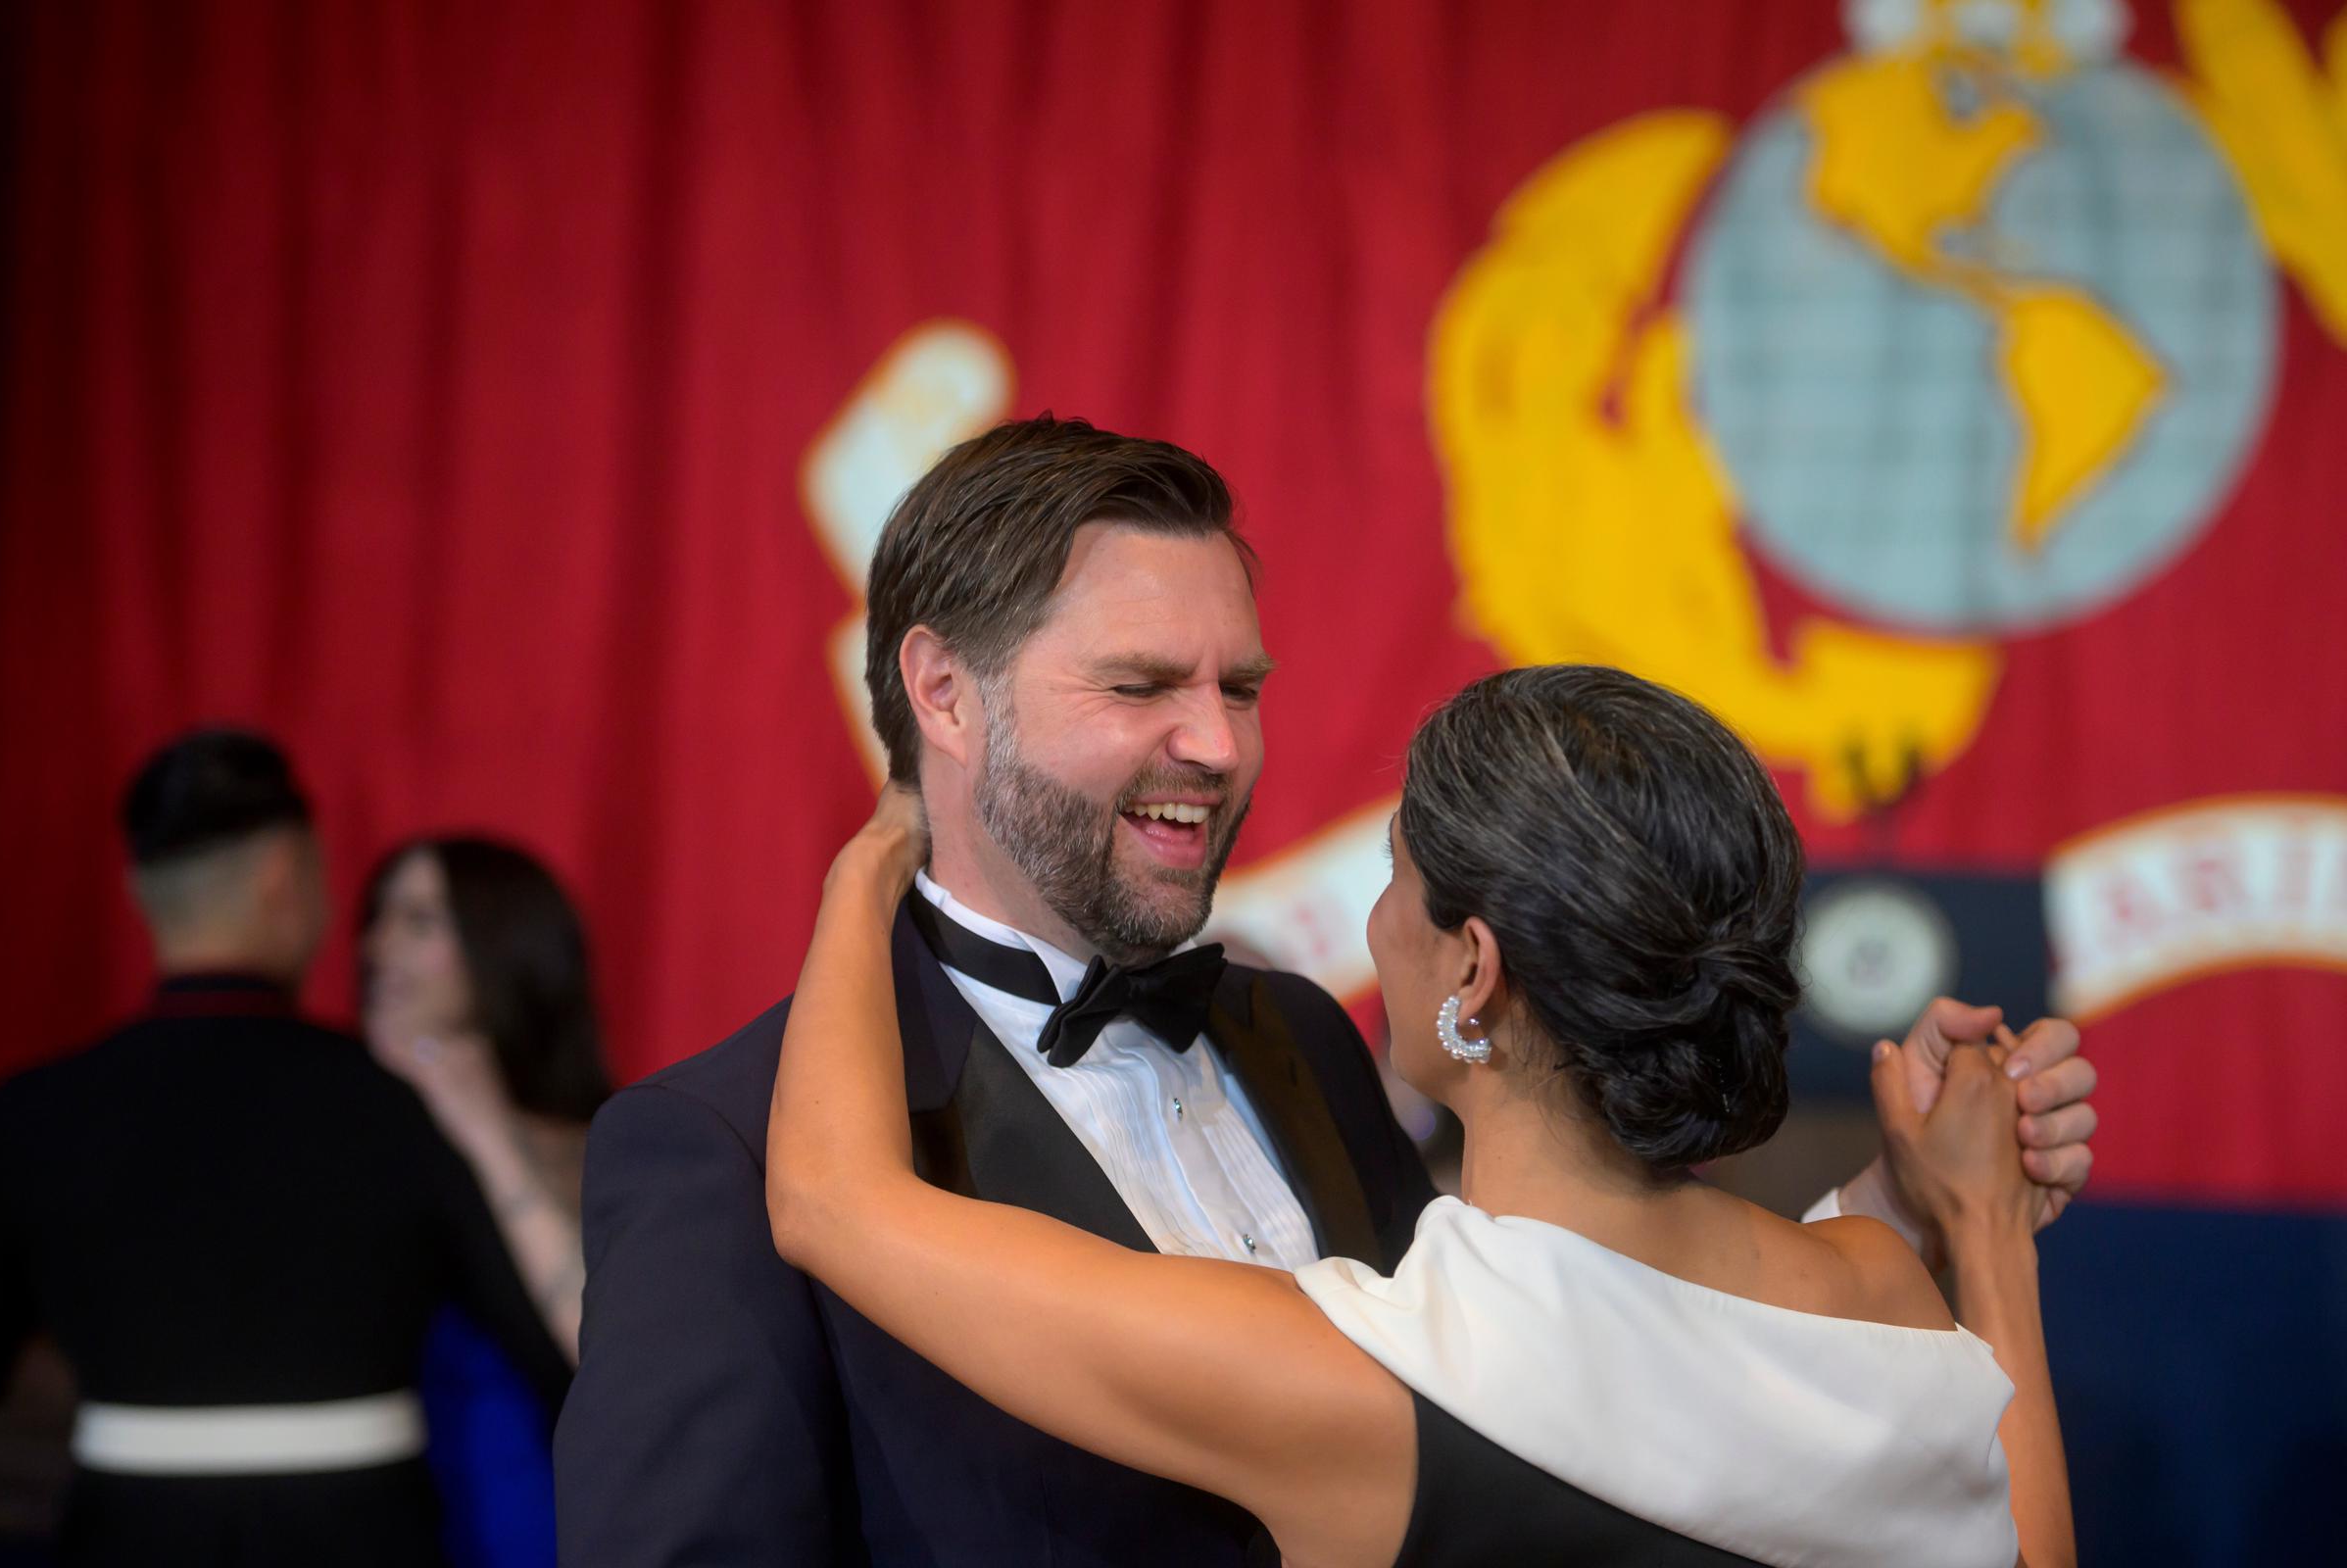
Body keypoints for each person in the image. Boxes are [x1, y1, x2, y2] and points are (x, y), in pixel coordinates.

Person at [555, 417, 2097, 1565]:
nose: (1220, 749)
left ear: (1473, 975)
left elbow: (1579, 1377)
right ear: (941, 692)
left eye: (1242, 688)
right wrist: (1938, 1225)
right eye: (1145, 685)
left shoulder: (1298, 1041)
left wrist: (862, 865)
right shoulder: (715, 1146)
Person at [766, 668, 2071, 1566]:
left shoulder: (1358, 1385)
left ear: (1473, 971)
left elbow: (832, 1199)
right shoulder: (1888, 1289)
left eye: (1397, 878)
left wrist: (881, 853)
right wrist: (1983, 1231)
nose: (1379, 924)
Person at [0, 729, 571, 1568]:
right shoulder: (396, 1105)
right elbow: (551, 1346)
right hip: (362, 1533)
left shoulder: (30, 1114)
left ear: (136, 891)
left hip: (123, 1533)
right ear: (285, 876)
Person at [362, 836, 611, 1568]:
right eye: (379, 917)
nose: (377, 946)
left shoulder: (602, 1141)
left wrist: (482, 1124)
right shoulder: (354, 1132)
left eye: (419, 921)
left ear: (500, 945)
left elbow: (605, 1347)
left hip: (537, 1530)